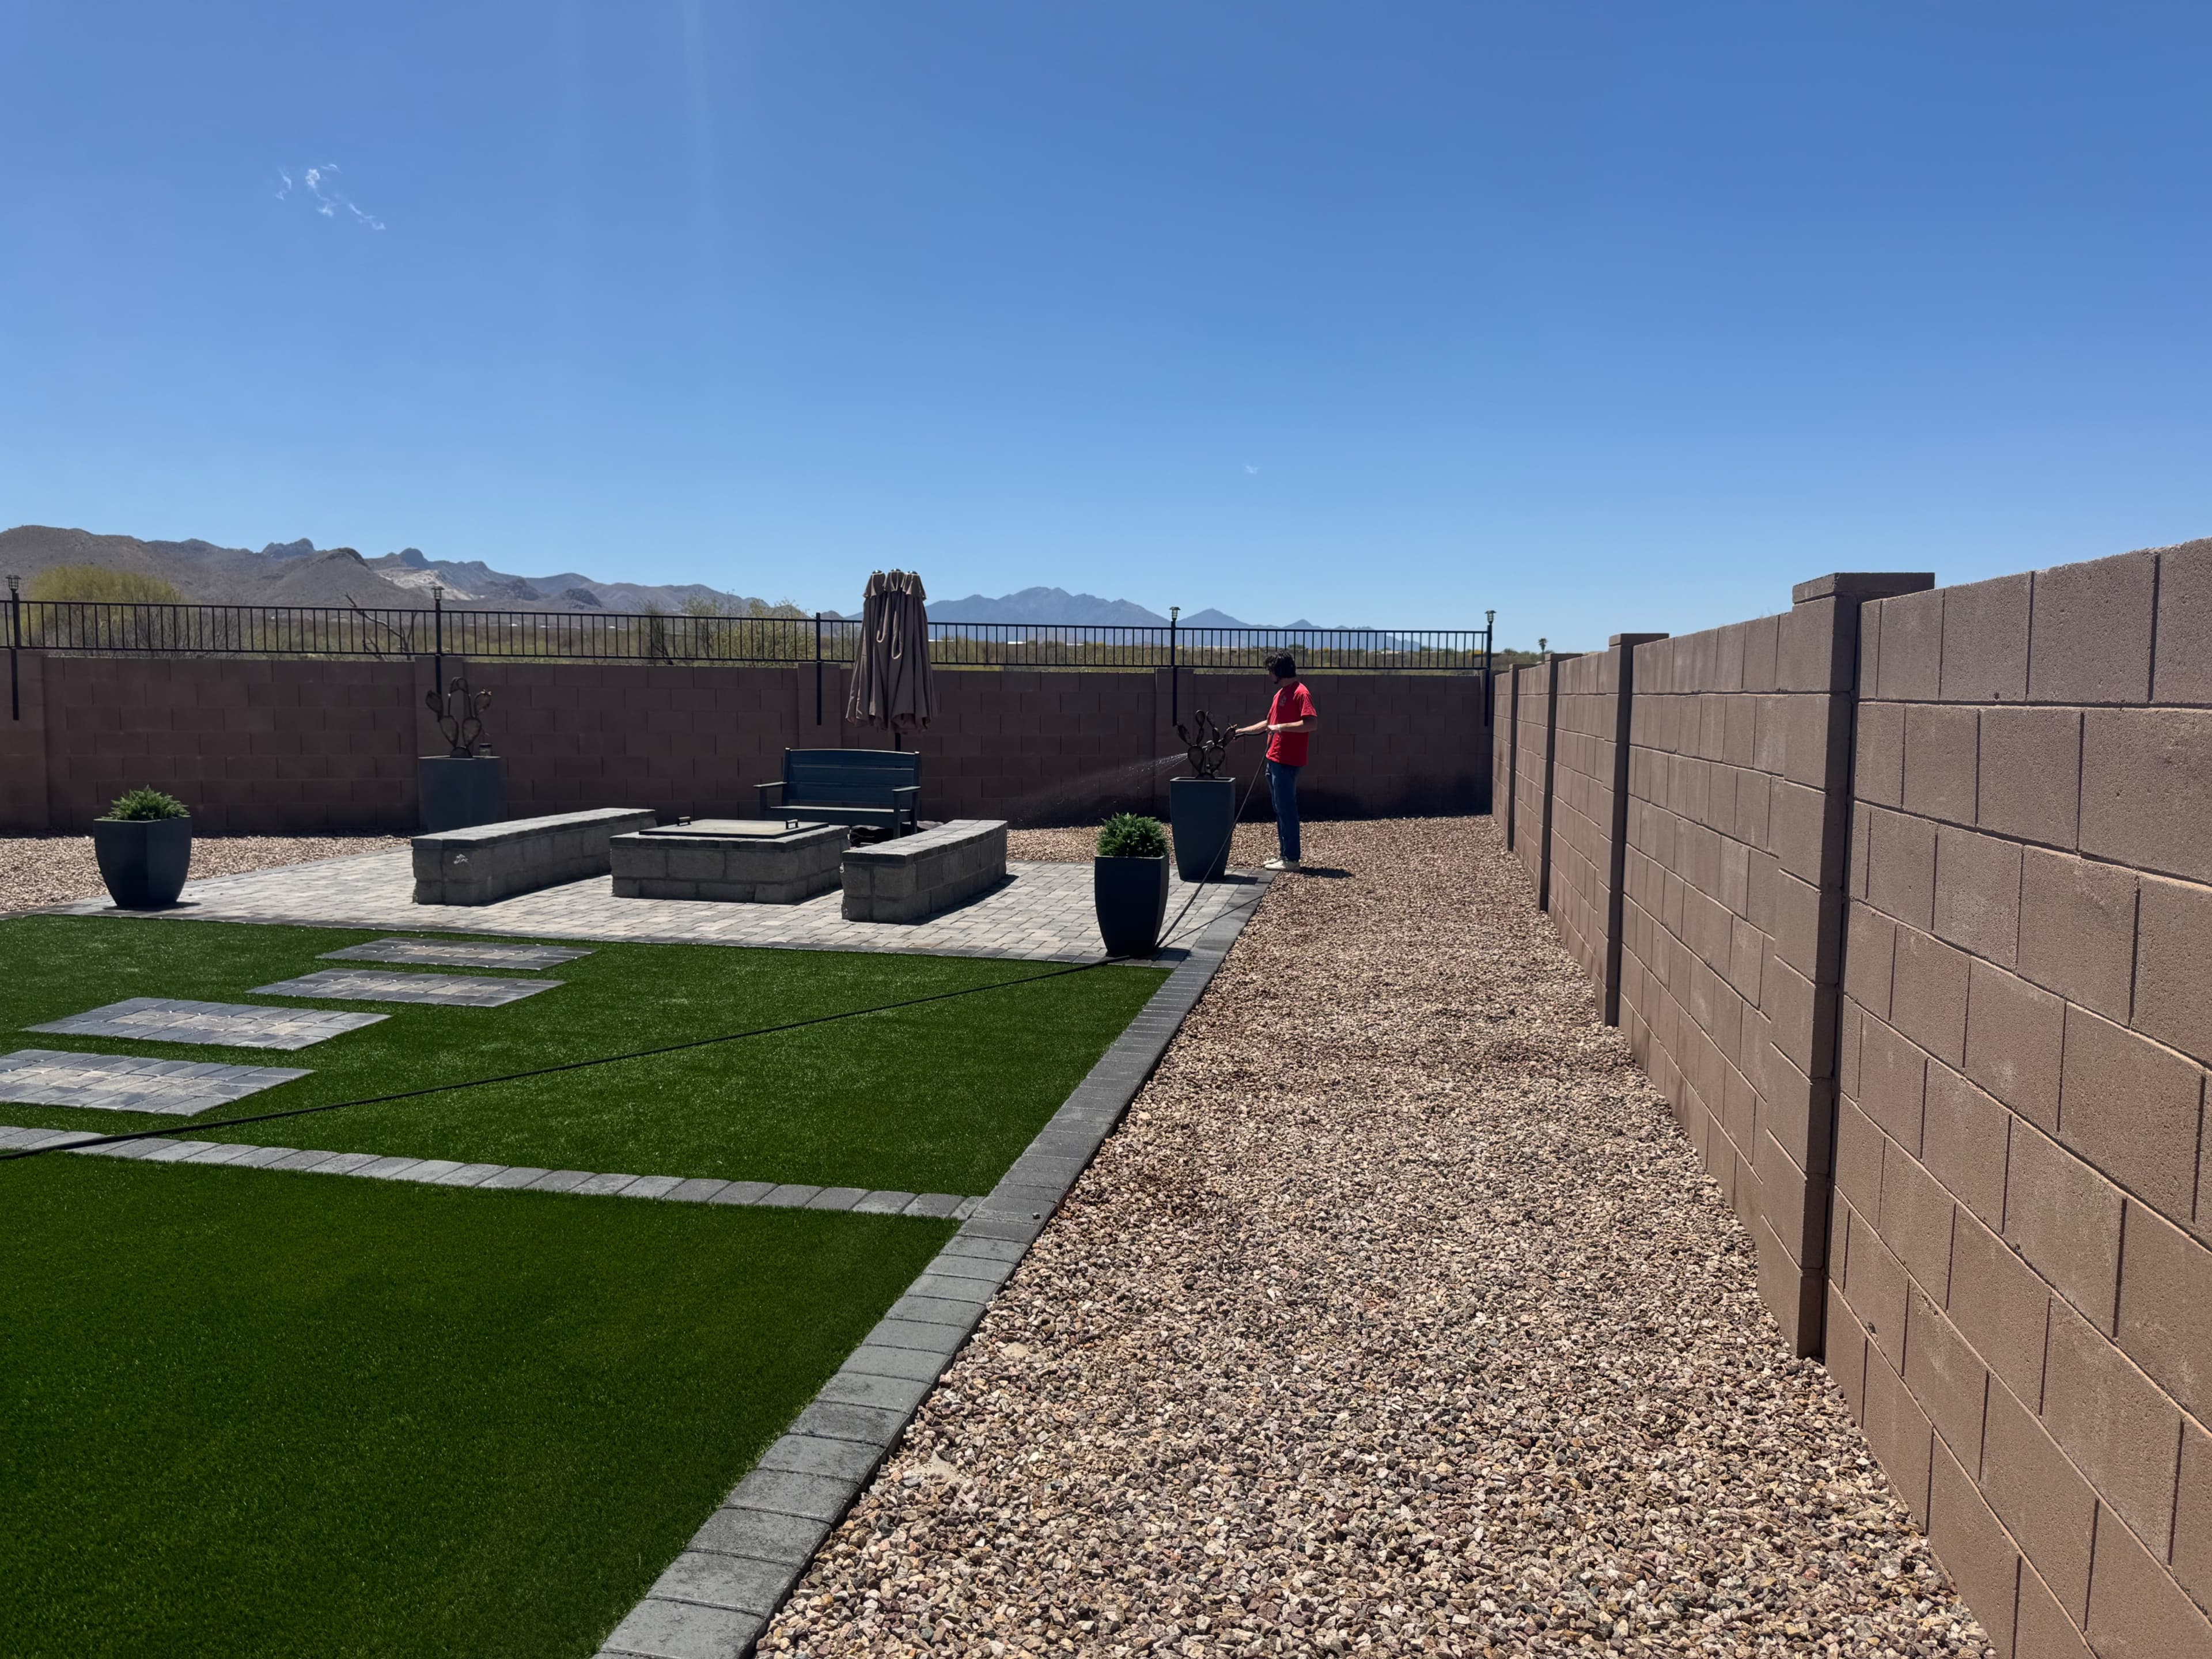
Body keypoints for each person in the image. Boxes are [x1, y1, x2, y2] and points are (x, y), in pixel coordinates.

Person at [1237, 652, 1317, 872]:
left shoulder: (1301, 693)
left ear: (1279, 671)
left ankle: (1291, 859)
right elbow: (1269, 722)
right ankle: (1284, 855)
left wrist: (1280, 728)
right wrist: (1241, 731)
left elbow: (1310, 724)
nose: (1269, 674)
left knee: (1287, 808)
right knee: (1279, 808)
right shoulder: (1280, 694)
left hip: (1287, 760)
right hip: (1273, 758)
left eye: (1271, 670)